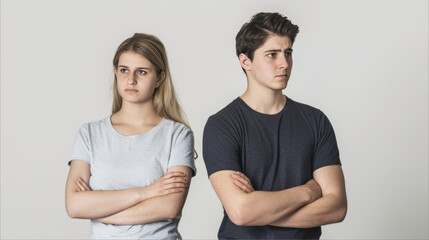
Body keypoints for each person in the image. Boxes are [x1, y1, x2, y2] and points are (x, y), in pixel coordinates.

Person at [203, 12, 347, 239]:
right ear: (245, 61)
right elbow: (240, 212)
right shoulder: (222, 125)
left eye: (287, 53)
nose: (284, 63)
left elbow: (337, 207)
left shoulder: (315, 120)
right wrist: (308, 191)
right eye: (272, 54)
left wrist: (261, 211)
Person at [65, 33, 196, 239]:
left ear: (159, 78)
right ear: (115, 72)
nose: (131, 80)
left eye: (142, 72)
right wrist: (146, 192)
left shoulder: (178, 135)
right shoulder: (89, 134)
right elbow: (74, 205)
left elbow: (169, 206)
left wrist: (99, 208)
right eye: (124, 70)